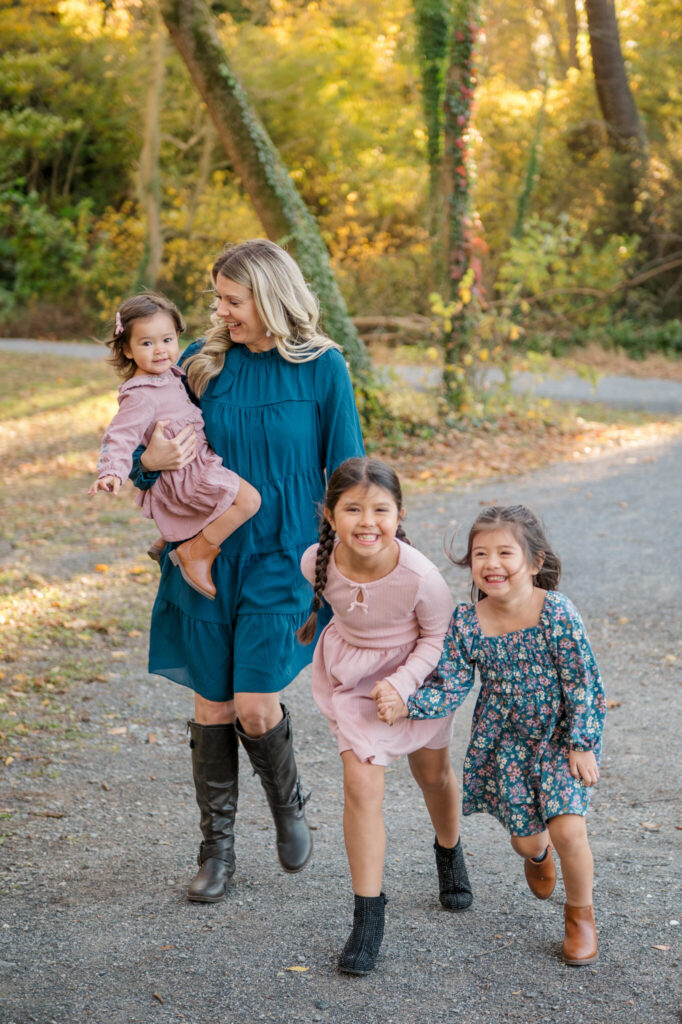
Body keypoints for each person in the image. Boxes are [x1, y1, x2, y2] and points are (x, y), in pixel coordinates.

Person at [129, 240, 365, 903]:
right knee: (214, 704)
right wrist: (150, 460)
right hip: (205, 553)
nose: (221, 311)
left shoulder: (323, 368)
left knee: (257, 708)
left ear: (269, 296)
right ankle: (218, 851)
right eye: (217, 299)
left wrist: (355, 560)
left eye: (232, 299)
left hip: (283, 557)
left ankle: (288, 802)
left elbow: (348, 470)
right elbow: (143, 459)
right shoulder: (200, 369)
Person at [375, 504, 606, 966]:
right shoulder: (467, 622)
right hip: (506, 745)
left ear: (535, 562)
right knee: (527, 841)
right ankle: (536, 855)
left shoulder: (556, 611)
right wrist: (406, 704)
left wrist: (581, 742)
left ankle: (580, 915)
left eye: (505, 553)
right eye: (481, 554)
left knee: (570, 831)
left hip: (559, 737)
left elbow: (583, 681)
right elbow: (453, 685)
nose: (492, 564)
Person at [298, 457, 472, 976]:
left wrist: (401, 684)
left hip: (417, 679)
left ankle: (449, 850)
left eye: (380, 509)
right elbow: (341, 615)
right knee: (361, 784)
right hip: (356, 684)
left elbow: (439, 639)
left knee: (433, 774)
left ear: (399, 514)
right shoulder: (317, 561)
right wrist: (370, 676)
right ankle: (367, 917)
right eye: (352, 509)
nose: (366, 521)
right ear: (330, 515)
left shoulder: (421, 576)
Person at [89, 293, 261, 600]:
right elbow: (120, 435)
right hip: (188, 474)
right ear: (127, 350)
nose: (160, 351)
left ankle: (167, 538)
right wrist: (111, 470)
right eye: (146, 343)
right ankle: (196, 553)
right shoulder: (140, 393)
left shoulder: (170, 375)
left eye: (167, 339)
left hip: (192, 467)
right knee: (249, 501)